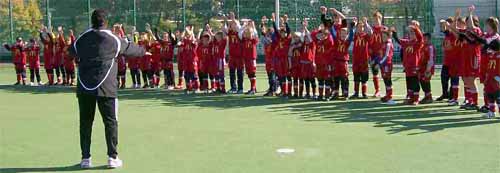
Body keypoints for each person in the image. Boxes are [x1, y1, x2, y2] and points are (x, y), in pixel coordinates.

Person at [68, 9, 148, 169]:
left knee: (85, 123)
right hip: (107, 88)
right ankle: (112, 158)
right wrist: (144, 51)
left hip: (84, 87)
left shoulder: (82, 38)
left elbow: (71, 52)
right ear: (106, 22)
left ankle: (85, 159)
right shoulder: (114, 39)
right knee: (111, 122)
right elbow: (131, 48)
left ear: (92, 21)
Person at [391, 21, 424, 105]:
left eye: (413, 33)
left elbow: (420, 37)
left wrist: (415, 28)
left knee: (415, 82)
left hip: (415, 66)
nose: (412, 34)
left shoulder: (418, 43)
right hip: (407, 67)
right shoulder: (406, 42)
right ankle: (410, 98)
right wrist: (394, 33)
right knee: (409, 82)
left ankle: (416, 99)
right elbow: (398, 40)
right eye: (411, 33)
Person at [351, 17, 373, 99]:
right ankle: (356, 93)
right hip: (356, 59)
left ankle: (364, 93)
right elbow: (351, 33)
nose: (360, 28)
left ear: (364, 28)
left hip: (364, 59)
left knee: (364, 77)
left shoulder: (366, 36)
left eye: (362, 27)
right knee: (356, 76)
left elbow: (371, 33)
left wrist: (366, 23)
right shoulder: (355, 36)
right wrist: (354, 24)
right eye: (359, 27)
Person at [239, 21, 259, 95]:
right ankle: (252, 88)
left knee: (252, 72)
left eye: (249, 33)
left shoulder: (253, 40)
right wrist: (244, 26)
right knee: (249, 73)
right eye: (246, 33)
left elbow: (256, 35)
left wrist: (253, 27)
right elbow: (240, 33)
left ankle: (253, 88)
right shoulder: (244, 40)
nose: (247, 34)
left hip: (251, 58)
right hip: (246, 59)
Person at [418, 33, 436, 104]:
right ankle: (426, 96)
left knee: (426, 81)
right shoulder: (423, 46)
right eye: (423, 38)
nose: (423, 39)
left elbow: (431, 59)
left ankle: (429, 97)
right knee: (422, 81)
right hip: (422, 67)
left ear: (429, 39)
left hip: (427, 67)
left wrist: (428, 69)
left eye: (425, 38)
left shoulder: (430, 47)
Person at [379, 29, 395, 104]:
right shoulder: (383, 44)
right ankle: (387, 95)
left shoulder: (388, 44)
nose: (383, 38)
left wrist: (380, 63)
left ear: (388, 36)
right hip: (383, 65)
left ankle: (390, 96)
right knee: (385, 80)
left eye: (384, 36)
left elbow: (387, 55)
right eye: (382, 36)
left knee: (388, 80)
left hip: (387, 65)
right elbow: (381, 54)